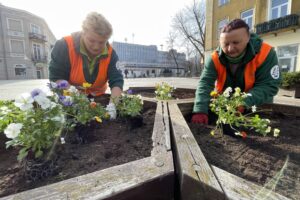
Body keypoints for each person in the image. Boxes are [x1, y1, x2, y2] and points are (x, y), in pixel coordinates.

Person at [192, 18, 281, 124]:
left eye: (236, 42)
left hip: (257, 107)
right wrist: (200, 110)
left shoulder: (266, 53)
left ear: (248, 38)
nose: (230, 48)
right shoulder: (215, 58)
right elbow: (205, 83)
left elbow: (269, 85)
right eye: (225, 44)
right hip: (226, 107)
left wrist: (243, 102)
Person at [49, 12, 124, 119]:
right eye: (91, 40)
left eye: (102, 42)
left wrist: (112, 105)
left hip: (98, 98)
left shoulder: (111, 54)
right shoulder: (64, 45)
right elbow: (56, 77)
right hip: (69, 99)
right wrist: (76, 96)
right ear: (83, 33)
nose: (96, 47)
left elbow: (117, 80)